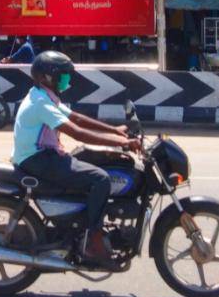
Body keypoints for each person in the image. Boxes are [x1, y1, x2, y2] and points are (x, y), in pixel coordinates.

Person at [12, 51, 141, 270]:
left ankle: (80, 227)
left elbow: (77, 118)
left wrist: (115, 130)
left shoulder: (43, 96)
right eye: (62, 76)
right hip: (38, 159)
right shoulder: (41, 103)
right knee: (101, 179)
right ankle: (93, 240)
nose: (66, 80)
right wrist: (123, 143)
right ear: (46, 77)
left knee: (93, 163)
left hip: (44, 155)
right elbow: (77, 132)